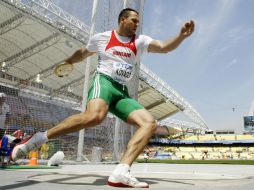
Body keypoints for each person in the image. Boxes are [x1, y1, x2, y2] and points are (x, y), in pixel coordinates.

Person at [11, 8, 194, 188]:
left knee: (149, 123)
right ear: (123, 20)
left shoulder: (140, 41)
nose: (137, 25)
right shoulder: (102, 38)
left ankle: (121, 172)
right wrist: (69, 61)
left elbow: (163, 47)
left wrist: (181, 36)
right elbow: (83, 52)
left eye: (138, 22)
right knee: (95, 117)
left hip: (121, 91)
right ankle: (40, 138)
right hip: (104, 81)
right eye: (134, 21)